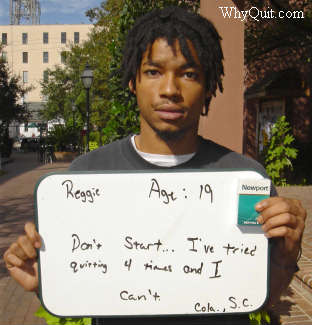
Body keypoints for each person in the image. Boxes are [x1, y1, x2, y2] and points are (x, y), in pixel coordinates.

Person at [3, 6, 306, 325]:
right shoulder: (87, 176)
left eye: (189, 74)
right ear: (133, 81)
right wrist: (49, 281)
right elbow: (81, 289)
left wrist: (286, 254)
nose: (170, 90)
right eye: (153, 71)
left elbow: (261, 296)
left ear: (208, 87)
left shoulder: (245, 183)